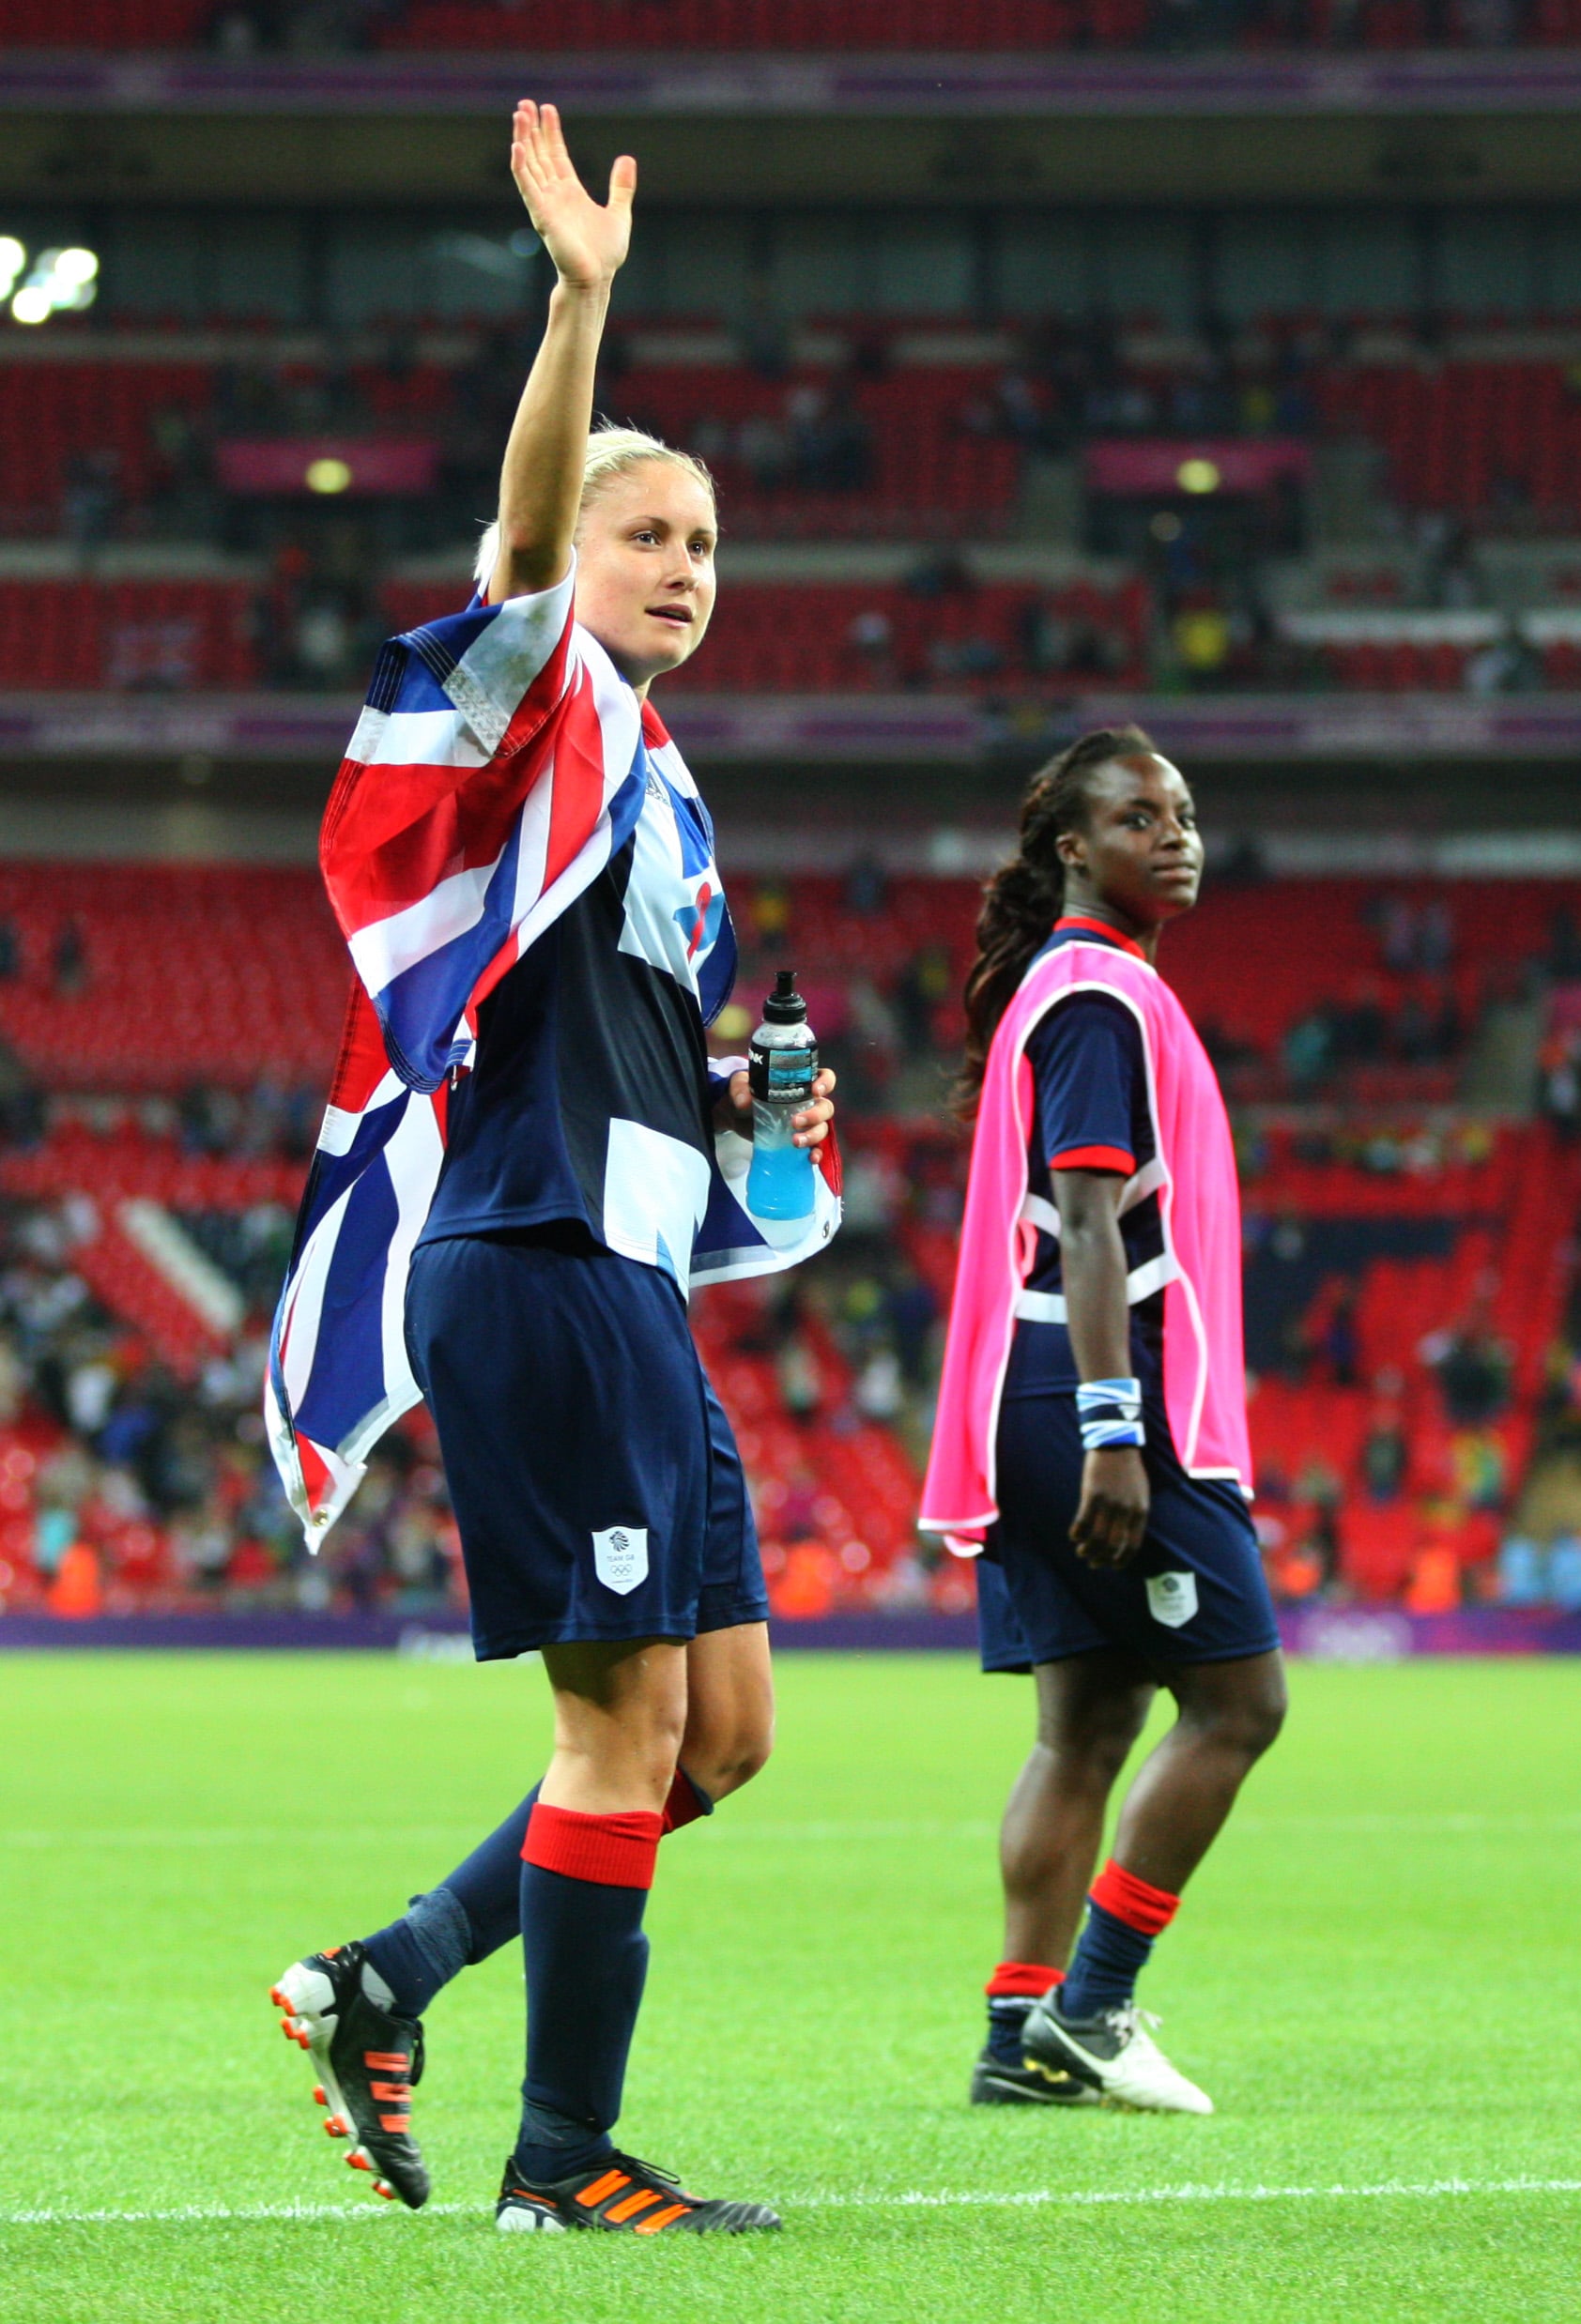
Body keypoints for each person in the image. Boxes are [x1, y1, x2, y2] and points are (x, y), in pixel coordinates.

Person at [265, 105, 837, 2237]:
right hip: (530, 1257)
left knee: (721, 1736)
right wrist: (579, 306)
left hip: (630, 1270)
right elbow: (513, 545)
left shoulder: (656, 786)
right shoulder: (541, 695)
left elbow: (622, 1049)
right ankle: (558, 2158)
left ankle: (382, 1976)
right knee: (617, 1740)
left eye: (705, 541)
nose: (683, 569)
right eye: (648, 537)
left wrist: (746, 1119)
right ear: (576, 572)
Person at [920, 726, 1285, 2115]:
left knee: (1085, 1725)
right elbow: (1082, 1217)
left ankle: (1017, 2040)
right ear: (1072, 848)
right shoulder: (1092, 997)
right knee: (1240, 1704)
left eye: (1183, 812)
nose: (1174, 835)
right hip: (1095, 1385)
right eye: (1139, 817)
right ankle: (1095, 2002)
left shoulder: (1069, 985)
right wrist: (1114, 1426)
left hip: (1030, 1389)